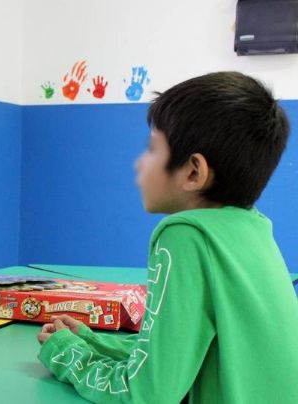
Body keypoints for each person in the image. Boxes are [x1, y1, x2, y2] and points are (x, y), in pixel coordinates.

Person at [37, 71, 298, 403]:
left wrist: (67, 355)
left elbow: (148, 394)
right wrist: (94, 341)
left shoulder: (186, 235)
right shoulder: (253, 226)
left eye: (151, 149)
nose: (138, 164)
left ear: (193, 171)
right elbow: (179, 349)